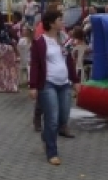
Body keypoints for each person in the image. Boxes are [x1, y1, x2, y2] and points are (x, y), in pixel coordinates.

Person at [29, 9, 79, 166]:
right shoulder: (40, 42)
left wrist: (75, 80)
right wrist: (33, 86)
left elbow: (69, 61)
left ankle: (47, 135)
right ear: (51, 23)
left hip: (64, 84)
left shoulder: (65, 40)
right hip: (48, 84)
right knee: (52, 119)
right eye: (59, 20)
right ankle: (52, 152)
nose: (63, 22)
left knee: (63, 118)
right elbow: (35, 65)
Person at [0, 13, 19, 93]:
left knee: (0, 68)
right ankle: (11, 86)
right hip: (8, 47)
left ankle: (0, 86)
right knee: (10, 68)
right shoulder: (8, 26)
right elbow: (14, 36)